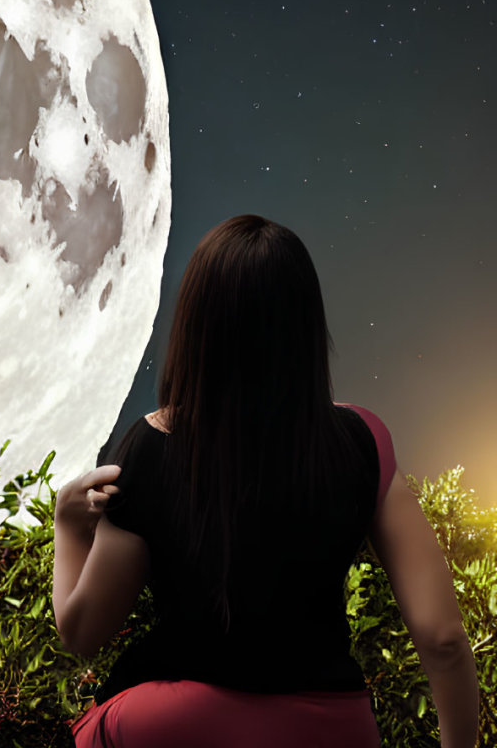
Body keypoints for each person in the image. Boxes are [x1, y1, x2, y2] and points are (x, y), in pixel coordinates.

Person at [53, 215, 479, 748]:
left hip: (176, 726)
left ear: (196, 325)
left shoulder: (151, 446)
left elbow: (81, 633)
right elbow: (442, 640)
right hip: (330, 728)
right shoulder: (365, 440)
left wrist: (69, 527)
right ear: (305, 323)